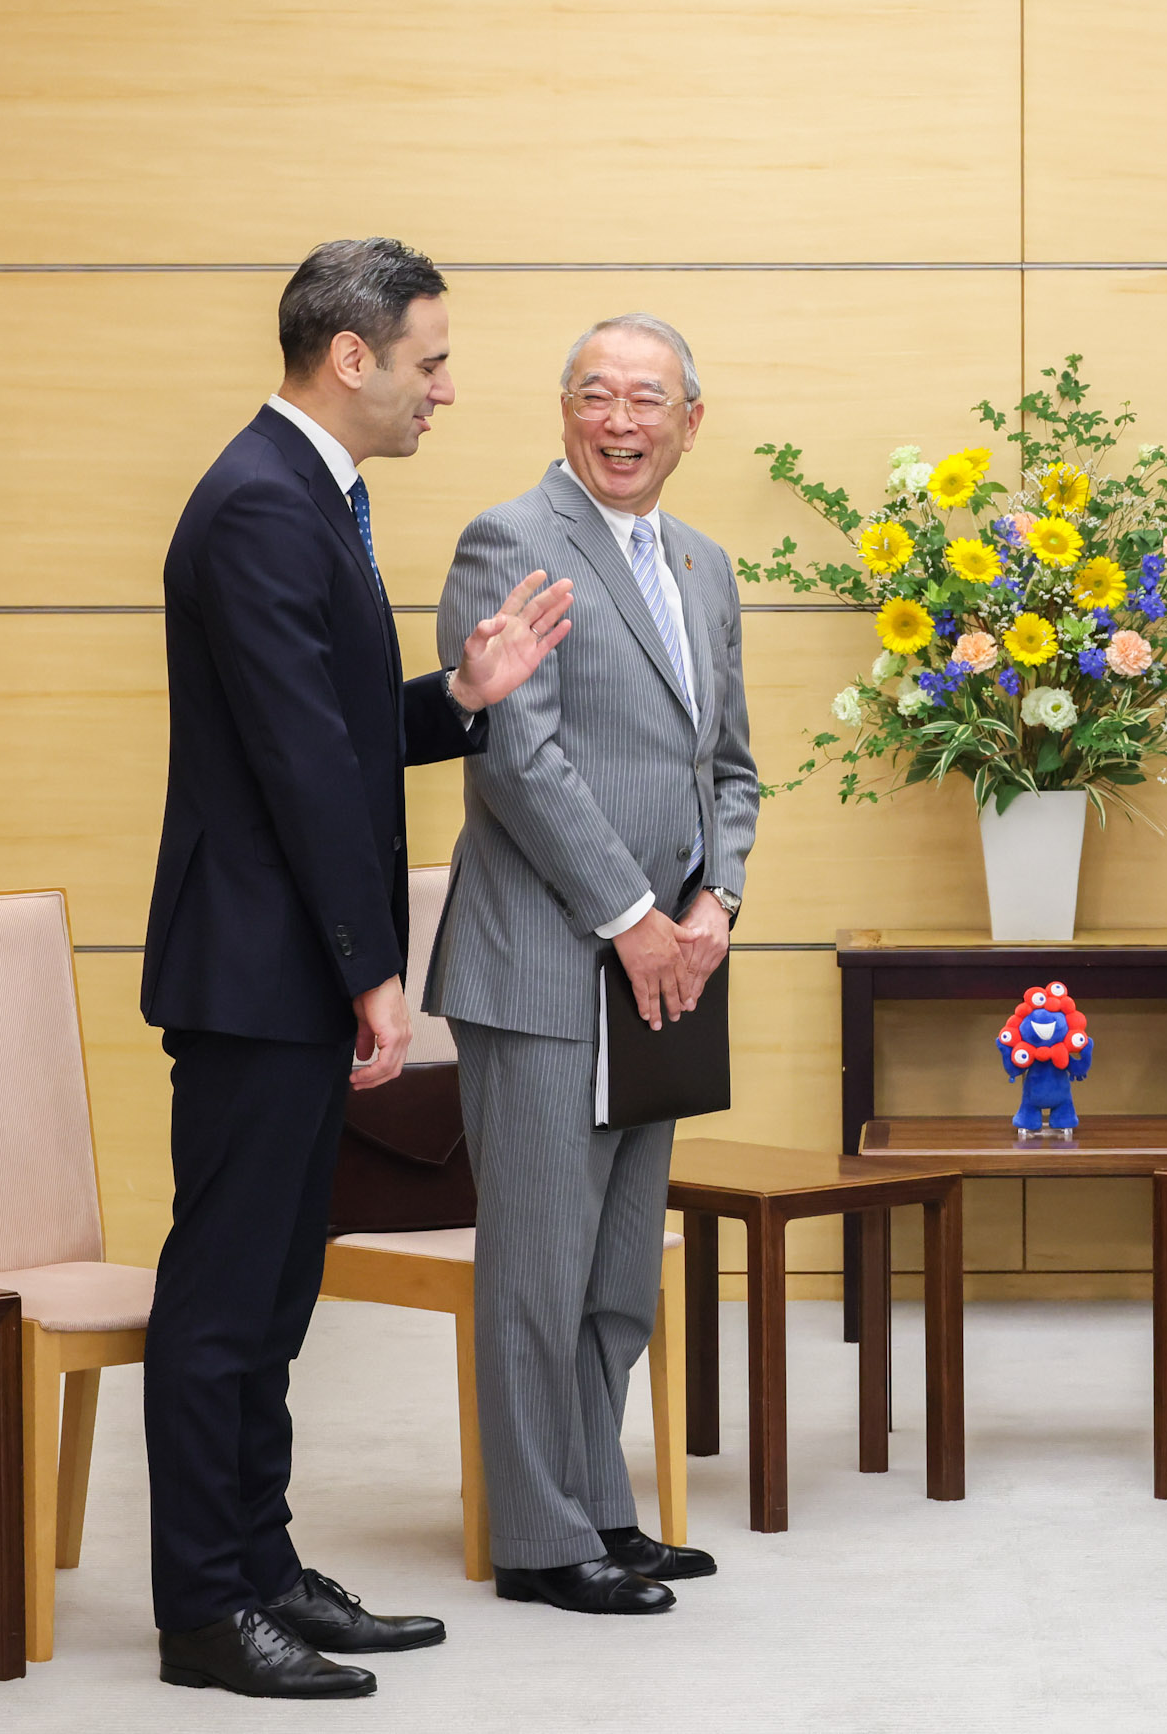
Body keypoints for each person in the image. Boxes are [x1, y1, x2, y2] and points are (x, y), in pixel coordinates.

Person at [139, 237, 573, 1699]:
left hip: (279, 968)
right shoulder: (265, 500)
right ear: (351, 356)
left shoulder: (306, 491)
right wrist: (370, 967)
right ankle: (206, 1606)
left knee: (274, 1294)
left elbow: (333, 725)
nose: (443, 389)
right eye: (429, 362)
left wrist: (459, 696)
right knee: (227, 1295)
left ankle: (259, 1566)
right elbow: (300, 765)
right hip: (256, 971)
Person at [424, 313, 756, 1616]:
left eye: (648, 399)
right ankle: (539, 1536)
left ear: (691, 421)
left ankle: (601, 1507)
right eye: (597, 395)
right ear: (564, 410)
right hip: (548, 967)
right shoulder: (511, 541)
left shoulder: (705, 565)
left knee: (618, 1273)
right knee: (537, 1270)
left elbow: (728, 765)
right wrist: (633, 916)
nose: (622, 422)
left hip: (669, 973)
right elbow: (517, 756)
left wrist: (716, 901)